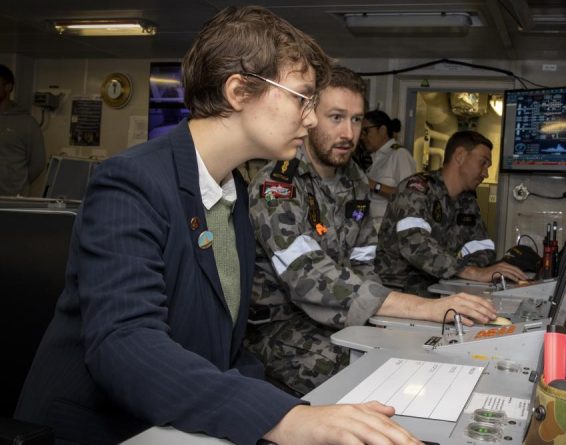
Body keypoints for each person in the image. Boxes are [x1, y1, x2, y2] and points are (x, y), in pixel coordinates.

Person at [14, 7, 421, 445]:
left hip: (179, 420)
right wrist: (284, 419)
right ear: (239, 91)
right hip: (98, 429)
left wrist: (294, 411)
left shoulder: (234, 191)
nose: (310, 117)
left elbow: (224, 347)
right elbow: (125, 344)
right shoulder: (132, 181)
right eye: (302, 98)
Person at [247, 66, 497, 396]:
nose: (349, 133)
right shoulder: (277, 184)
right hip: (281, 330)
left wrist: (388, 322)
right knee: (383, 380)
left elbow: (365, 263)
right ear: (308, 116)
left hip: (344, 317)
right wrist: (419, 308)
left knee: (421, 352)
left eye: (356, 120)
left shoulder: (354, 180)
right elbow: (307, 277)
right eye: (335, 117)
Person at [376, 130, 528, 296]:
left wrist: (475, 273)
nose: (485, 173)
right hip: (398, 292)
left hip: (439, 289)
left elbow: (483, 246)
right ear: (460, 156)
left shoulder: (467, 201)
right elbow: (414, 245)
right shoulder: (417, 190)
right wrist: (469, 272)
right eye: (483, 163)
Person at [361, 110, 417, 228]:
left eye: (366, 131)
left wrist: (373, 185)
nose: (362, 137)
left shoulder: (399, 155)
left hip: (388, 230)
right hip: (370, 229)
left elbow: (408, 196)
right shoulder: (376, 158)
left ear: (382, 130)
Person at [0, 64, 45, 196]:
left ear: (8, 87)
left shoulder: (27, 123)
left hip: (13, 198)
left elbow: (38, 163)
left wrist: (17, 183)